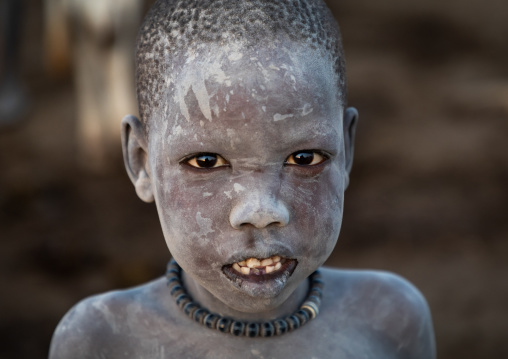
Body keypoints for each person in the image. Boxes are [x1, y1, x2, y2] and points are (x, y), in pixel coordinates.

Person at [49, 0, 436, 357]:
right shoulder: (101, 341)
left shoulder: (392, 319)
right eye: (205, 161)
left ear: (347, 150)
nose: (262, 211)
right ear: (142, 162)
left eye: (304, 158)